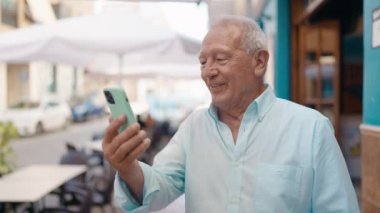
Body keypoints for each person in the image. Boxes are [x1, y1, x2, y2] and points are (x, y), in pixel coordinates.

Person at [102, 16, 360, 212]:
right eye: (203, 62)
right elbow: (159, 187)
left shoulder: (311, 128)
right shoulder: (193, 127)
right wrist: (128, 168)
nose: (208, 72)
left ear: (259, 62)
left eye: (220, 59)